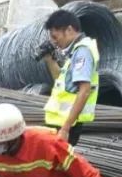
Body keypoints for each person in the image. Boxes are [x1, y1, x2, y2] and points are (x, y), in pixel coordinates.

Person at [41, 9, 99, 145]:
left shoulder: (82, 52)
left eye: (55, 37)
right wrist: (49, 59)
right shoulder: (75, 52)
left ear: (69, 30)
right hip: (59, 123)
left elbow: (84, 91)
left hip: (65, 126)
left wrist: (66, 128)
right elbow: (62, 82)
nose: (54, 42)